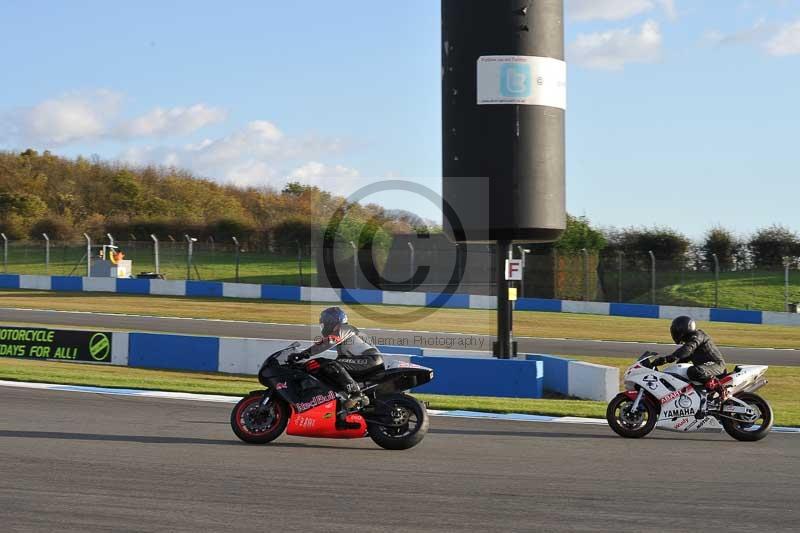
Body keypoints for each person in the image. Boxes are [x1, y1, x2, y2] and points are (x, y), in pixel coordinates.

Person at [289, 307, 383, 411]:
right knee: (330, 369)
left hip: (370, 359)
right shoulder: (344, 339)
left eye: (325, 323)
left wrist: (304, 354)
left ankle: (357, 394)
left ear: (332, 322)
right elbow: (341, 363)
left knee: (330, 364)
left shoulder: (345, 329)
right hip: (366, 361)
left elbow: (328, 341)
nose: (323, 327)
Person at [652, 315, 727, 401]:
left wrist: (667, 359)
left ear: (684, 329)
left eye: (676, 330)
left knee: (693, 371)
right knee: (679, 374)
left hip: (717, 365)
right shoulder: (690, 342)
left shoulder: (698, 336)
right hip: (705, 370)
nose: (675, 332)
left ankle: (721, 388)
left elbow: (687, 349)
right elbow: (680, 363)